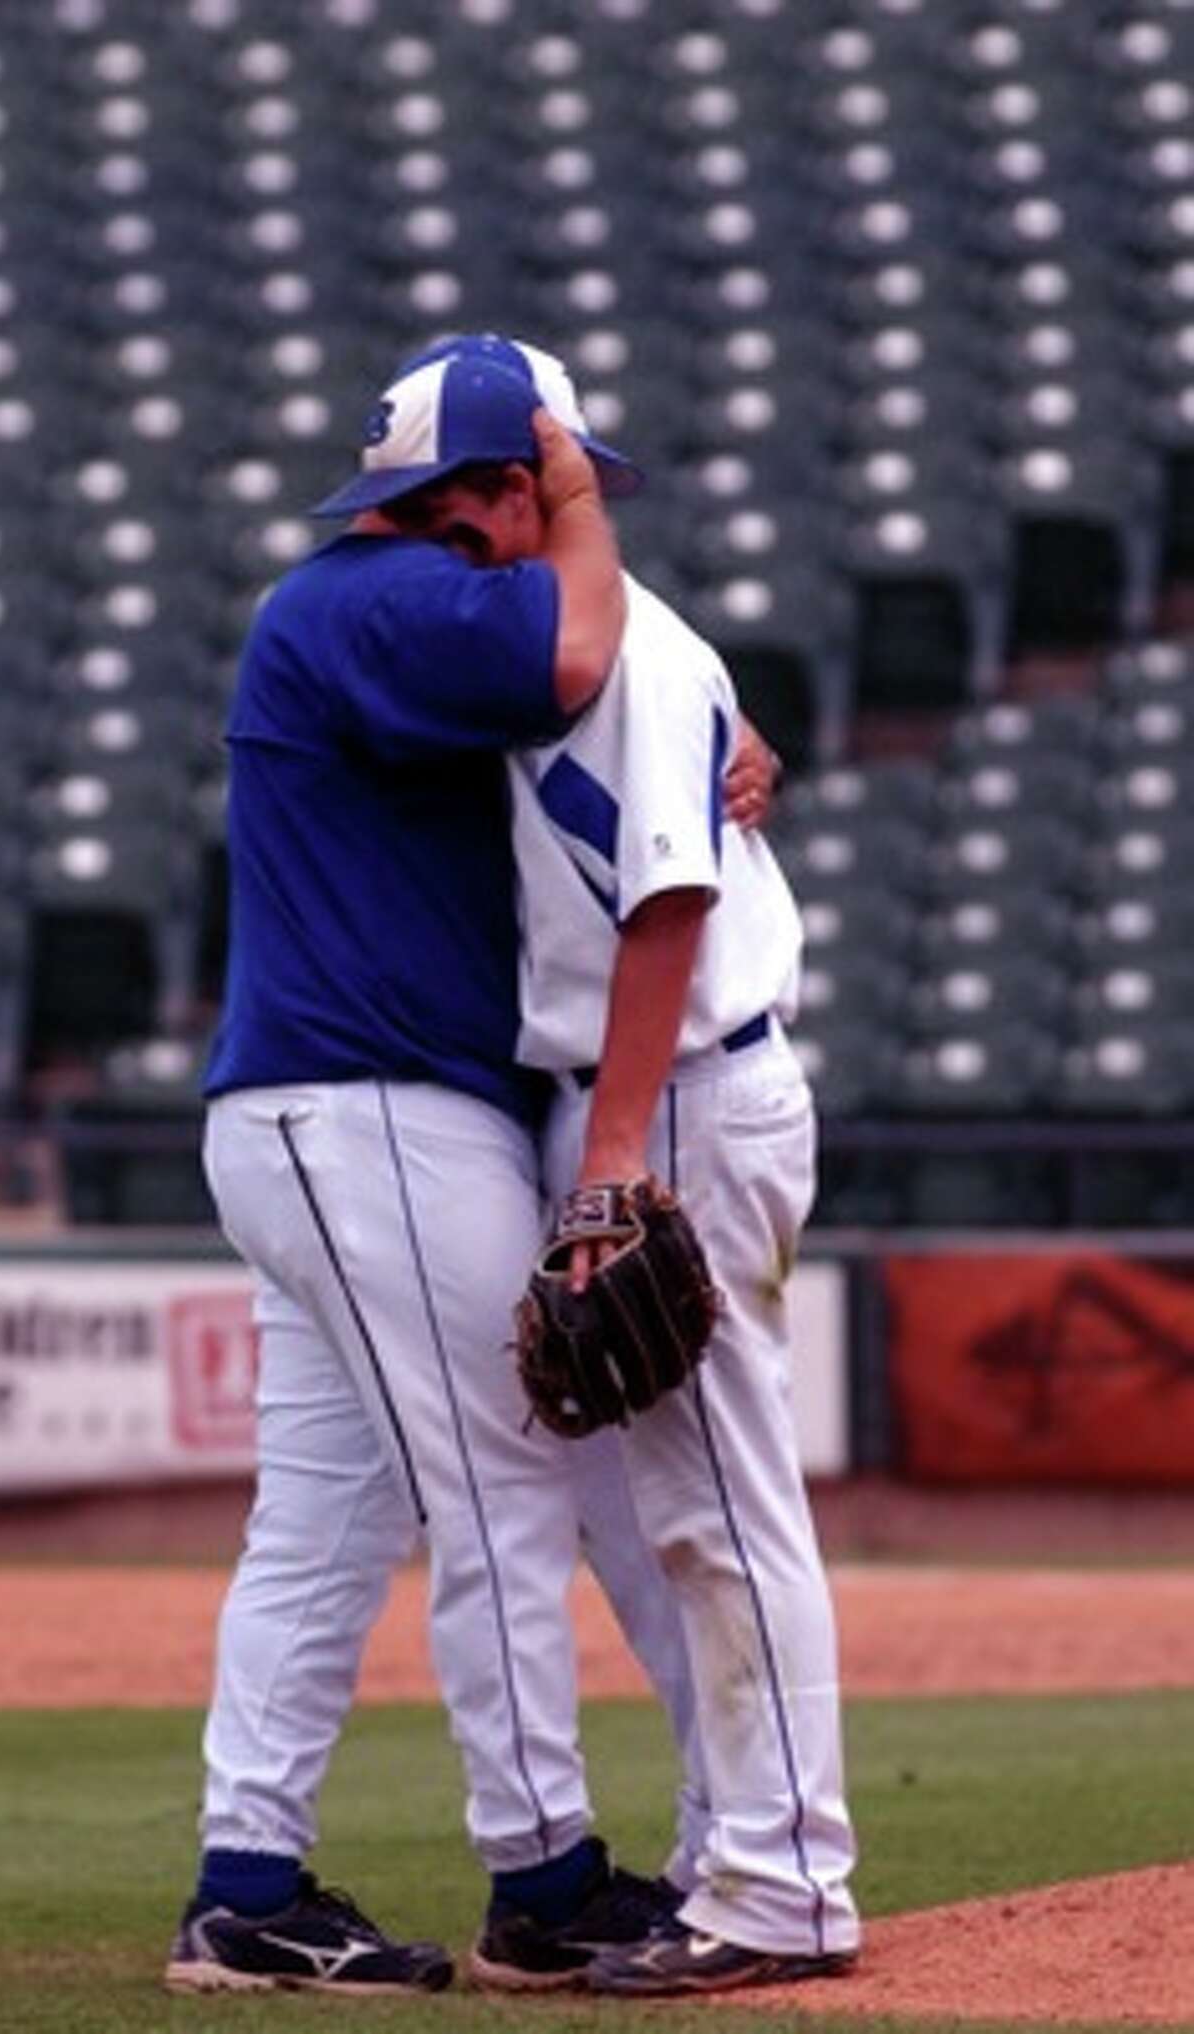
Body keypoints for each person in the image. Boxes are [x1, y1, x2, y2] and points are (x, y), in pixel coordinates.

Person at [163, 346, 772, 1997]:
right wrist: (572, 497)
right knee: (507, 1489)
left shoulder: (384, 618)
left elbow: (590, 708)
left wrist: (724, 740)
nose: (571, 515)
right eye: (552, 486)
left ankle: (245, 1886)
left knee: (323, 1525)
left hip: (318, 1120)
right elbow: (581, 644)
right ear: (489, 493)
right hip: (374, 1115)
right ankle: (546, 1878)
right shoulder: (388, 594)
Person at [382, 334, 862, 1997]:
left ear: (529, 490)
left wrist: (605, 1170)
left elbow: (671, 904)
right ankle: (741, 1850)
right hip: (637, 1092)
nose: (431, 548)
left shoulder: (634, 655)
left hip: (680, 1095)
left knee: (723, 1508)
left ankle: (789, 1882)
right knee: (664, 1512)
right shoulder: (550, 654)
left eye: (448, 514)